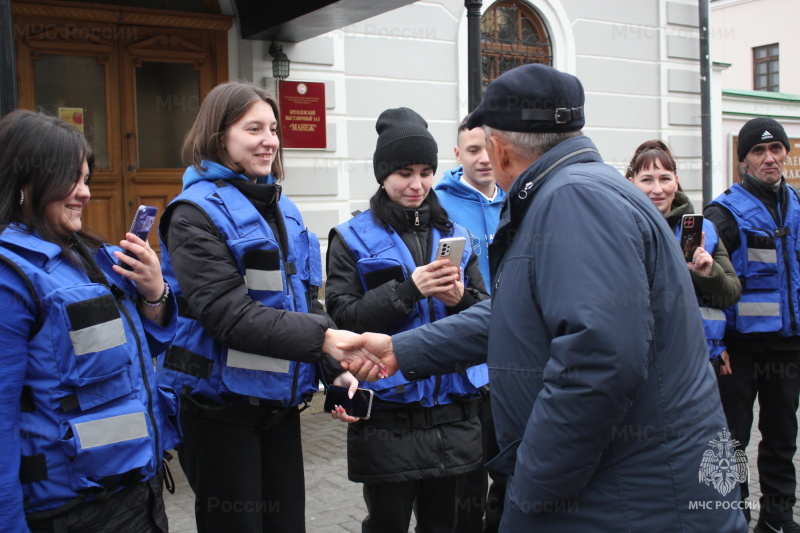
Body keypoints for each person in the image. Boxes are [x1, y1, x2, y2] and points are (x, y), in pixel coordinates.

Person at [338, 64, 748, 532]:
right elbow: (516, 314)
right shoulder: (575, 190)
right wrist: (400, 350)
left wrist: (530, 490)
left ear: (503, 149)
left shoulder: (575, 202)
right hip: (623, 494)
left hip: (628, 502)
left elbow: (599, 363)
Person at [155, 81, 359, 533]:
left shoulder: (283, 209)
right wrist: (325, 339)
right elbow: (228, 315)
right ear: (218, 135)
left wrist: (333, 368)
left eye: (273, 128)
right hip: (218, 412)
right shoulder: (191, 215)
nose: (269, 140)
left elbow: (302, 303)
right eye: (253, 129)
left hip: (278, 408)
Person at [0, 110, 179, 532]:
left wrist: (157, 294)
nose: (83, 193)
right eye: (71, 180)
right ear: (25, 182)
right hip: (71, 512)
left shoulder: (86, 255)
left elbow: (127, 357)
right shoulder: (11, 278)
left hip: (136, 492)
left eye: (86, 179)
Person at [325, 107, 491, 533]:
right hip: (389, 415)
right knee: (387, 524)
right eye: (404, 173)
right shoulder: (350, 237)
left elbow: (485, 312)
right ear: (383, 174)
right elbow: (343, 317)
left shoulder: (457, 235)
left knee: (451, 525)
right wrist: (408, 291)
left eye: (425, 171)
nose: (416, 184)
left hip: (456, 413)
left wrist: (459, 299)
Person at [704, 117, 800, 533]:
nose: (768, 158)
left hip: (788, 347)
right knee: (731, 441)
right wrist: (714, 346)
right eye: (758, 152)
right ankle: (733, 519)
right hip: (738, 350)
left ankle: (777, 519)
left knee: (781, 439)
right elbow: (705, 287)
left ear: (785, 154)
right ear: (743, 160)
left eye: (775, 149)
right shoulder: (722, 212)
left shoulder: (798, 206)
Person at [435, 115, 506, 532]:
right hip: (466, 363)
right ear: (457, 154)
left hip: (512, 358)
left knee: (509, 470)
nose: (482, 159)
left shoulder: (516, 200)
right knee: (467, 479)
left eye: (487, 149)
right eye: (472, 150)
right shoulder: (441, 205)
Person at [626, 140, 741, 374]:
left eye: (665, 178)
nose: (657, 189)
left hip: (696, 361)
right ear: (631, 184)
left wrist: (709, 275)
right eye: (646, 179)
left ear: (676, 182)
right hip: (639, 363)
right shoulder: (617, 230)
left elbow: (730, 295)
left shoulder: (702, 232)